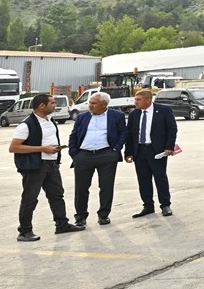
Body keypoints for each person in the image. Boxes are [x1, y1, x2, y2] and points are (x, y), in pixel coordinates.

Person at [9, 92, 84, 241]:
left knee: (57, 195)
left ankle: (61, 224)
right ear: (42, 105)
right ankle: (24, 231)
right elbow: (14, 147)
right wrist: (42, 148)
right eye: (52, 103)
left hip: (51, 164)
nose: (55, 105)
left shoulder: (50, 120)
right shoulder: (26, 125)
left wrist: (54, 150)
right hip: (35, 166)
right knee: (30, 198)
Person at [68, 91, 127, 226]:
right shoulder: (82, 117)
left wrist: (115, 150)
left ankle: (104, 215)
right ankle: (80, 217)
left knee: (106, 186)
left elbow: (123, 133)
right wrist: (74, 154)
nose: (90, 105)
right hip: (83, 156)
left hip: (106, 155)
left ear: (104, 104)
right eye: (89, 103)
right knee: (81, 188)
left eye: (93, 103)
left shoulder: (117, 116)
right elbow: (74, 135)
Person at [124, 89, 177, 218]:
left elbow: (172, 129)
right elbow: (130, 134)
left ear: (148, 100)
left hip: (156, 150)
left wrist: (169, 147)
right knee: (143, 179)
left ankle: (165, 205)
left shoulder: (163, 110)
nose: (135, 102)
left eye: (138, 99)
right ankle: (148, 206)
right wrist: (128, 152)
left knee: (160, 177)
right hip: (140, 151)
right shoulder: (134, 114)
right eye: (135, 99)